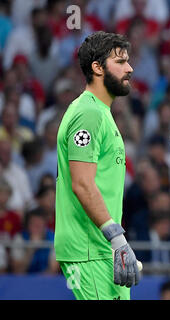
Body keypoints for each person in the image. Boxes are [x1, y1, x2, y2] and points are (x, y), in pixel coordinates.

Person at [55, 31, 141, 300]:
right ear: (97, 68)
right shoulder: (88, 114)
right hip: (90, 250)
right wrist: (117, 239)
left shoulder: (100, 112)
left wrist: (116, 244)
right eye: (120, 62)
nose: (130, 68)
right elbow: (82, 183)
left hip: (103, 250)